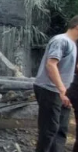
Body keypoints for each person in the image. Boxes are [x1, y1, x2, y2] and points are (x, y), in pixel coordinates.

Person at [34, 16, 78, 152]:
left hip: (62, 91)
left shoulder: (72, 44)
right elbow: (51, 64)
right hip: (50, 89)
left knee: (61, 129)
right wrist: (61, 89)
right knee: (49, 130)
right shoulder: (61, 40)